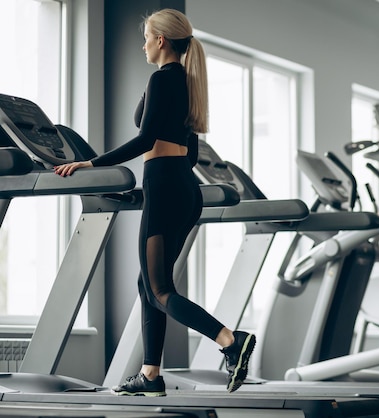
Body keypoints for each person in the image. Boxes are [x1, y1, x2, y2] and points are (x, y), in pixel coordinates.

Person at [53, 8, 255, 396]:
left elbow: (144, 140)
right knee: (149, 286)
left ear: (161, 41)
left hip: (164, 188)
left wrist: (90, 163)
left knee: (160, 290)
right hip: (184, 190)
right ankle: (150, 375)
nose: (142, 45)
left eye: (146, 38)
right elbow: (189, 154)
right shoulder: (188, 84)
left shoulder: (164, 80)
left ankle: (230, 340)